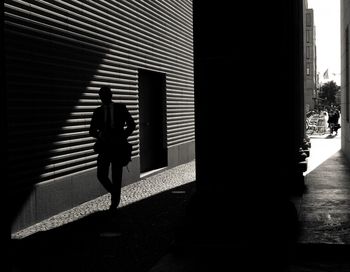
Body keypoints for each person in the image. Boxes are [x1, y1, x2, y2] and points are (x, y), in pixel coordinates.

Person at [89, 86, 135, 211]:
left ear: (110, 95)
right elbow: (91, 130)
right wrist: (99, 135)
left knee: (116, 175)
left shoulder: (121, 108)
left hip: (118, 146)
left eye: (105, 95)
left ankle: (114, 203)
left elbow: (132, 124)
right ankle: (115, 193)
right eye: (101, 95)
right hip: (104, 146)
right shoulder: (97, 111)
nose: (103, 98)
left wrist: (122, 136)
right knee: (101, 174)